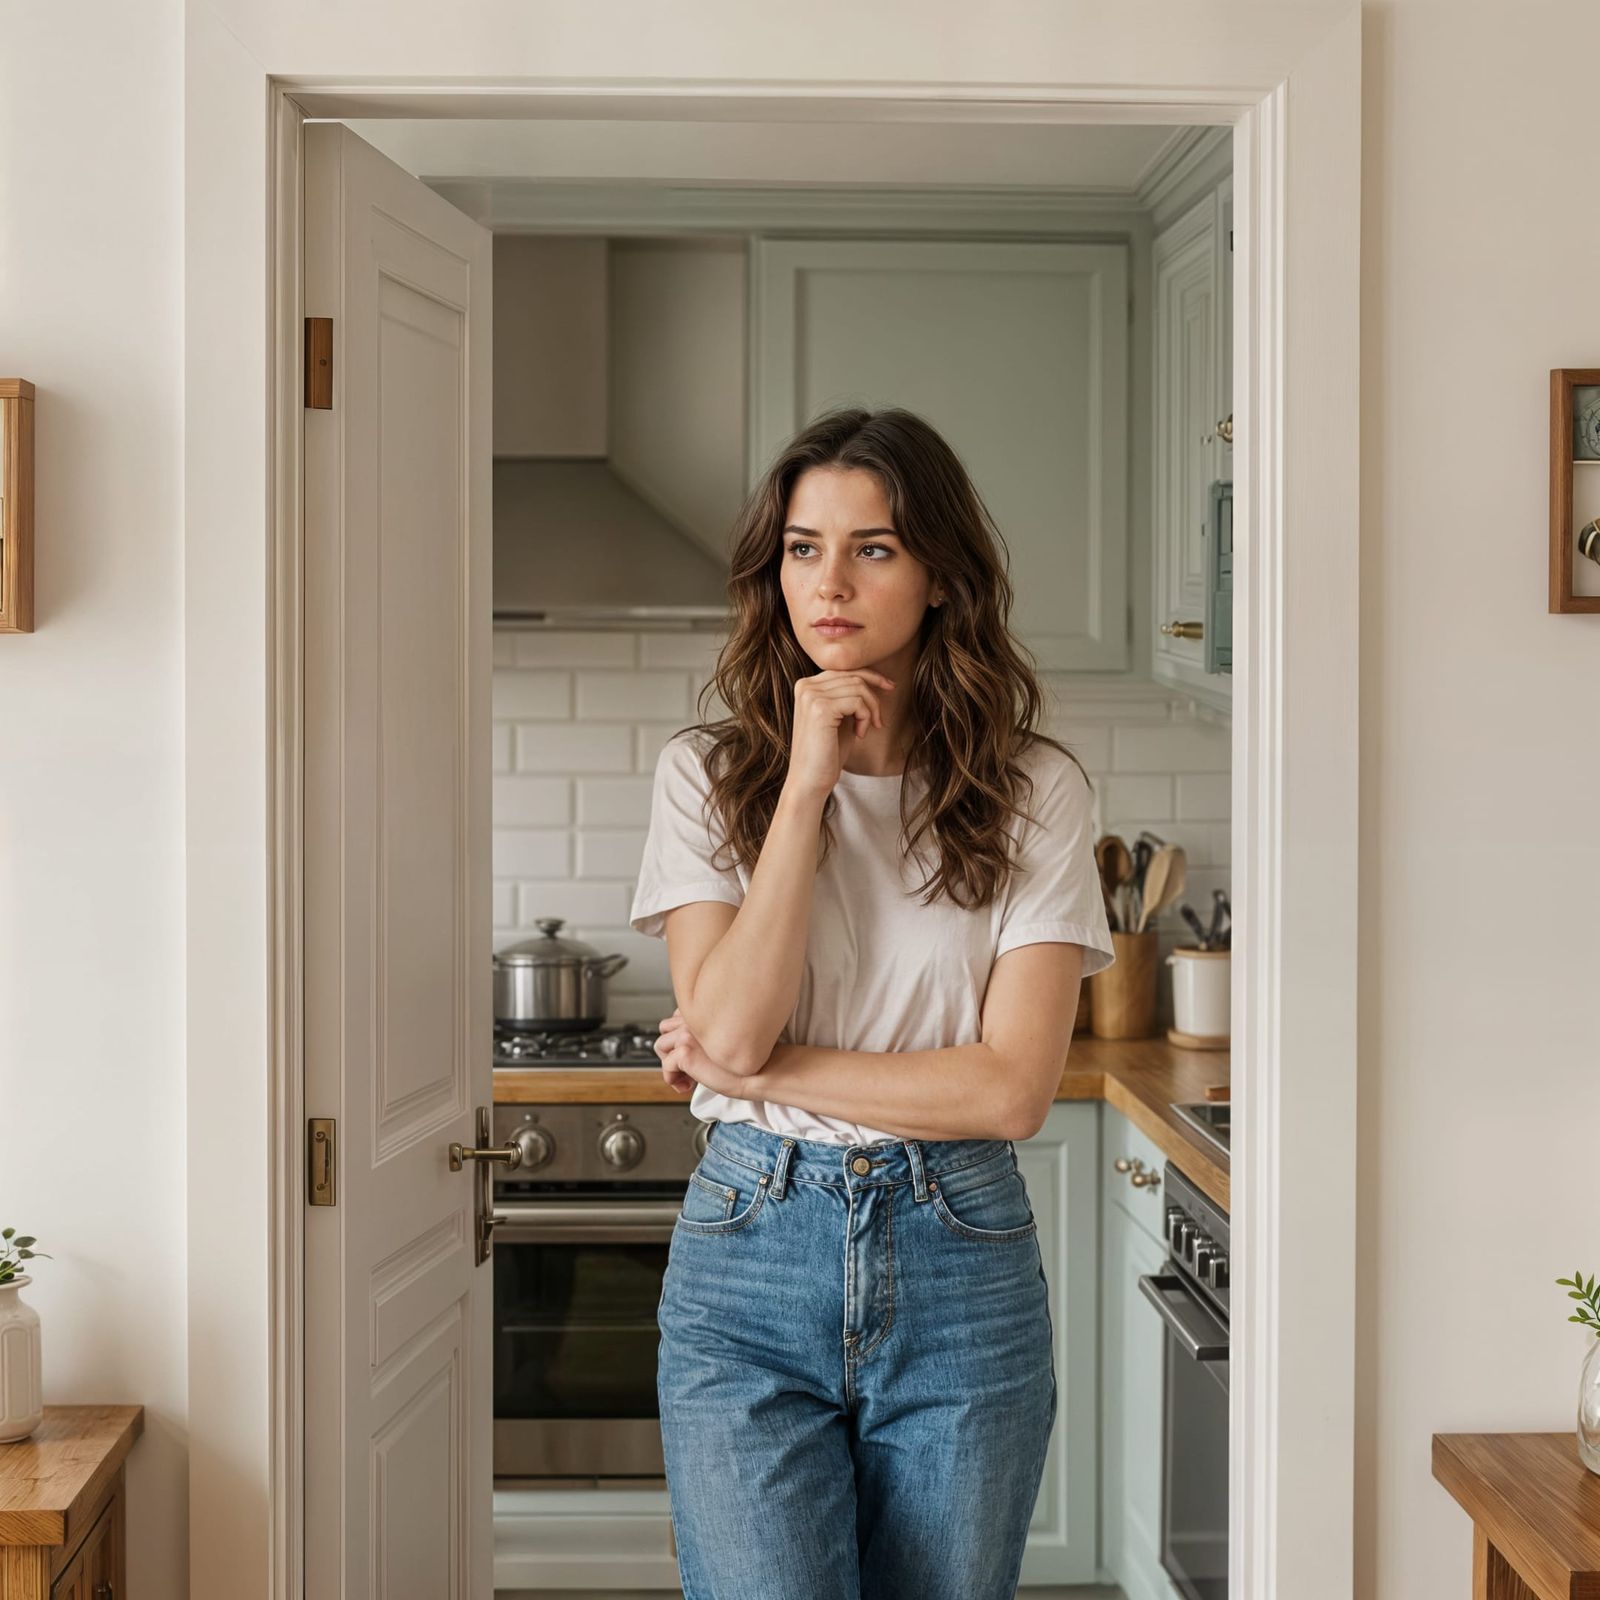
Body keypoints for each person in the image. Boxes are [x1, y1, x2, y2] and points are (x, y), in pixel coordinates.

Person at [627, 405, 1116, 1600]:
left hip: (961, 1261)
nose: (829, 582)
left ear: (940, 572)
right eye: (802, 547)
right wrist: (804, 788)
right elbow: (729, 1027)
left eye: (874, 547)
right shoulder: (706, 774)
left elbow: (1008, 1090)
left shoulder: (1032, 788)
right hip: (750, 1253)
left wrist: (757, 1071)